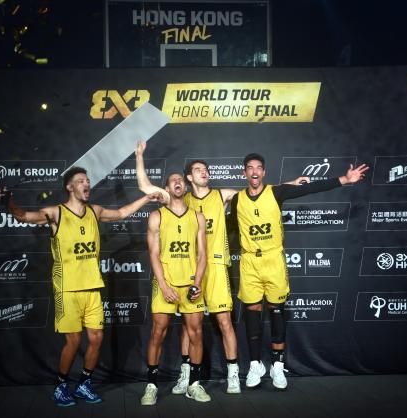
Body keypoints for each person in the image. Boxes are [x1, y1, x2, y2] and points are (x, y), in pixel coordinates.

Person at [135, 140, 308, 394]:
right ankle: (186, 376)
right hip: (189, 270)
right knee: (188, 325)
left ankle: (233, 375)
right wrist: (140, 156)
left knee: (225, 321)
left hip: (215, 266)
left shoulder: (223, 194)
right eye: (198, 169)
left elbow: (258, 191)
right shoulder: (179, 197)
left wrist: (291, 185)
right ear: (188, 178)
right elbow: (144, 186)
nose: (204, 172)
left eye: (206, 169)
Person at [0, 167, 162, 407]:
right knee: (73, 342)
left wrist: (146, 198)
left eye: (88, 180)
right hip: (67, 289)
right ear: (69, 187)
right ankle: (61, 386)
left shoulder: (94, 211)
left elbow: (122, 213)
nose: (87, 184)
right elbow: (23, 216)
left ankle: (84, 384)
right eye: (80, 181)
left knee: (96, 339)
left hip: (92, 288)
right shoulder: (56, 213)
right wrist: (8, 202)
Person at [230, 153, 369, 390]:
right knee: (252, 311)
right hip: (249, 261)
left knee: (275, 310)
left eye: (259, 168)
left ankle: (277, 365)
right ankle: (255, 364)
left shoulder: (277, 192)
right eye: (250, 168)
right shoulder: (236, 200)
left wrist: (344, 180)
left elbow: (310, 189)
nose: (254, 172)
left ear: (263, 172)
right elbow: (229, 228)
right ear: (244, 173)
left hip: (273, 260)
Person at [140, 172, 210, 406]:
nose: (177, 182)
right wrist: (163, 284)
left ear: (185, 185)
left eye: (180, 179)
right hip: (166, 284)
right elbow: (153, 254)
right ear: (167, 188)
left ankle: (194, 384)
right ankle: (151, 386)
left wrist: (197, 283)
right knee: (157, 333)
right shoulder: (156, 216)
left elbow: (203, 255)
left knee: (196, 333)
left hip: (190, 284)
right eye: (172, 181)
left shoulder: (197, 217)